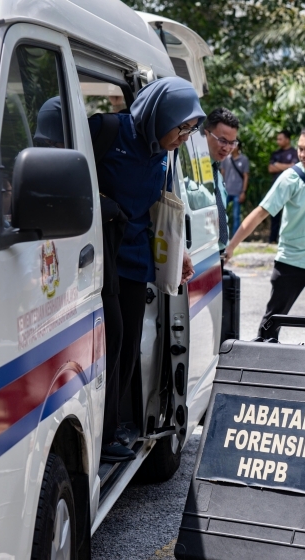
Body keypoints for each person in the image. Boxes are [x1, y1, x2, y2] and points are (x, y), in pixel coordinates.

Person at [92, 77, 205, 462]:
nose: (185, 137)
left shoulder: (162, 150)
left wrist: (180, 250)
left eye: (191, 130)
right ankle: (100, 434)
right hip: (100, 253)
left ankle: (110, 431)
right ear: (161, 115)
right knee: (111, 341)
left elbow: (160, 201)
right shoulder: (108, 131)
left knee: (126, 346)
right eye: (182, 127)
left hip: (136, 256)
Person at [225, 125, 305, 341]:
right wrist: (231, 246)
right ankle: (262, 363)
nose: (302, 154)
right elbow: (261, 212)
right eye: (300, 149)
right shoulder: (290, 178)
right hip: (292, 258)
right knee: (272, 321)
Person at [203, 107, 240, 250]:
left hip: (218, 251)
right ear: (206, 134)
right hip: (201, 251)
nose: (227, 148)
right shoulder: (190, 168)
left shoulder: (216, 172)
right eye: (222, 141)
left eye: (232, 143)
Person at [267, 130, 299, 243]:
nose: (278, 141)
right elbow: (270, 168)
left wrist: (278, 165)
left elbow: (294, 167)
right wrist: (287, 166)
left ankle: (287, 240)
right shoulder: (275, 154)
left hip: (291, 188)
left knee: (290, 215)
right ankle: (272, 239)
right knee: (274, 213)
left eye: (280, 139)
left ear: (287, 139)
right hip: (276, 188)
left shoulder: (295, 153)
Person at [222, 143, 250, 234]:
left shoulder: (244, 159)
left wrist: (244, 192)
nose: (232, 146)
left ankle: (235, 236)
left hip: (238, 191)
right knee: (221, 213)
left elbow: (246, 176)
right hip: (226, 190)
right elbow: (222, 173)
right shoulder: (225, 158)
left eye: (234, 144)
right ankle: (223, 234)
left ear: (238, 147)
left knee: (236, 215)